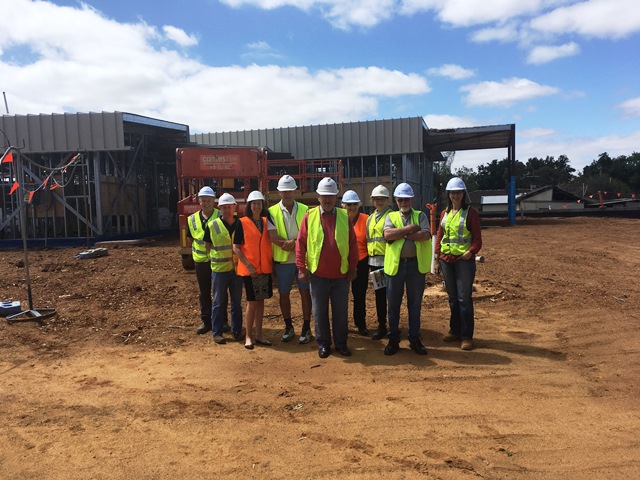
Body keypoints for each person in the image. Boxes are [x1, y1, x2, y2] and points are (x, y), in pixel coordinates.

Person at [296, 177, 358, 359]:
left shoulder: (344, 216)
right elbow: (301, 243)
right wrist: (301, 267)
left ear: (336, 197)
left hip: (341, 275)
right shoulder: (310, 216)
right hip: (318, 275)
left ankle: (341, 344)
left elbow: (352, 244)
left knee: (341, 312)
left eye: (331, 196)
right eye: (325, 196)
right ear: (318, 197)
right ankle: (323, 344)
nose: (328, 200)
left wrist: (353, 267)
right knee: (319, 312)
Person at [382, 183, 431, 356]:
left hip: (415, 266)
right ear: (396, 200)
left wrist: (399, 234)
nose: (403, 202)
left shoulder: (421, 215)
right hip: (395, 266)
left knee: (414, 305)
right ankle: (393, 339)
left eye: (406, 199)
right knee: (393, 305)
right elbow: (387, 235)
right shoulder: (391, 216)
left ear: (412, 199)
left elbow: (425, 235)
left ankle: (414, 339)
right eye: (400, 199)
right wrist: (410, 229)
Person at [434, 177, 482, 351]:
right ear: (448, 194)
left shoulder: (471, 213)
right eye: (452, 192)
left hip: (463, 262)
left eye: (458, 192)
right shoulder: (444, 213)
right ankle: (455, 330)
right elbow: (440, 235)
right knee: (453, 298)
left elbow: (477, 239)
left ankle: (466, 336)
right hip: (446, 261)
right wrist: (437, 257)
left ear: (463, 194)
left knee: (464, 299)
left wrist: (470, 252)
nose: (455, 195)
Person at [268, 175, 313, 344]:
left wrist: (294, 243)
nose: (287, 194)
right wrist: (290, 244)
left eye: (290, 191)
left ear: (295, 191)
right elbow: (272, 236)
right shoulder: (271, 212)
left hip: (302, 260)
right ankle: (288, 327)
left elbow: (310, 233)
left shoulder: (305, 210)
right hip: (283, 261)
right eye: (284, 191)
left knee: (304, 292)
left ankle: (306, 327)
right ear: (279, 192)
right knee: (284, 294)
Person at [233, 191, 275, 350]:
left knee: (261, 300)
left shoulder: (267, 221)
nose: (257, 206)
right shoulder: (241, 223)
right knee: (252, 302)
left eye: (259, 203)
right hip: (250, 270)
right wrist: (248, 265)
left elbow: (273, 238)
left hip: (264, 268)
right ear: (249, 206)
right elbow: (236, 248)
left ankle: (259, 335)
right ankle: (249, 336)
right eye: (254, 203)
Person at [204, 193, 243, 345]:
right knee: (218, 302)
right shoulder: (212, 225)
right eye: (223, 207)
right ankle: (217, 332)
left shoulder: (241, 224)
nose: (226, 210)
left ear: (234, 207)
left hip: (237, 270)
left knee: (236, 303)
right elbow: (208, 246)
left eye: (229, 207)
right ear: (219, 208)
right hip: (219, 270)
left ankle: (237, 330)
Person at [186, 186, 220, 335]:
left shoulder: (220, 216)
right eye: (203, 200)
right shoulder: (192, 219)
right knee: (204, 292)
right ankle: (206, 321)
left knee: (219, 292)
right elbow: (189, 238)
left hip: (218, 260)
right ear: (199, 202)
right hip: (200, 261)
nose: (206, 203)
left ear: (214, 201)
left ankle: (221, 320)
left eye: (209, 200)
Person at [341, 190, 370, 336]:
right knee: (340, 295)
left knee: (359, 294)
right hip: (342, 262)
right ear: (342, 205)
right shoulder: (338, 218)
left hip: (361, 262)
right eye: (348, 204)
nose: (351, 207)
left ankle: (360, 323)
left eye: (354, 204)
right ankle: (342, 324)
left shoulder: (366, 219)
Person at [366, 185, 392, 340]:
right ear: (372, 200)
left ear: (387, 200)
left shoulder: (391, 216)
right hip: (374, 262)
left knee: (392, 295)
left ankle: (392, 325)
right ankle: (382, 325)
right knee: (380, 295)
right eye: (376, 199)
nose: (379, 202)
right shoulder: (370, 218)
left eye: (382, 199)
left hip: (388, 261)